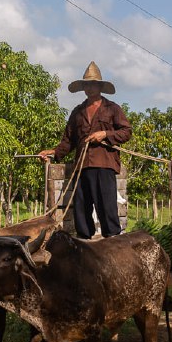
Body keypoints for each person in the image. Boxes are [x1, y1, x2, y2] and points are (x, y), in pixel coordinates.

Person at [39, 61, 132, 238]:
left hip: (104, 165)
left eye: (92, 84)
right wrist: (53, 152)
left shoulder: (112, 108)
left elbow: (126, 132)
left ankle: (112, 241)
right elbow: (68, 141)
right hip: (81, 166)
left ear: (99, 87)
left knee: (107, 206)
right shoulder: (77, 112)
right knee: (81, 207)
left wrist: (104, 134)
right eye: (86, 85)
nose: (89, 88)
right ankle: (84, 241)